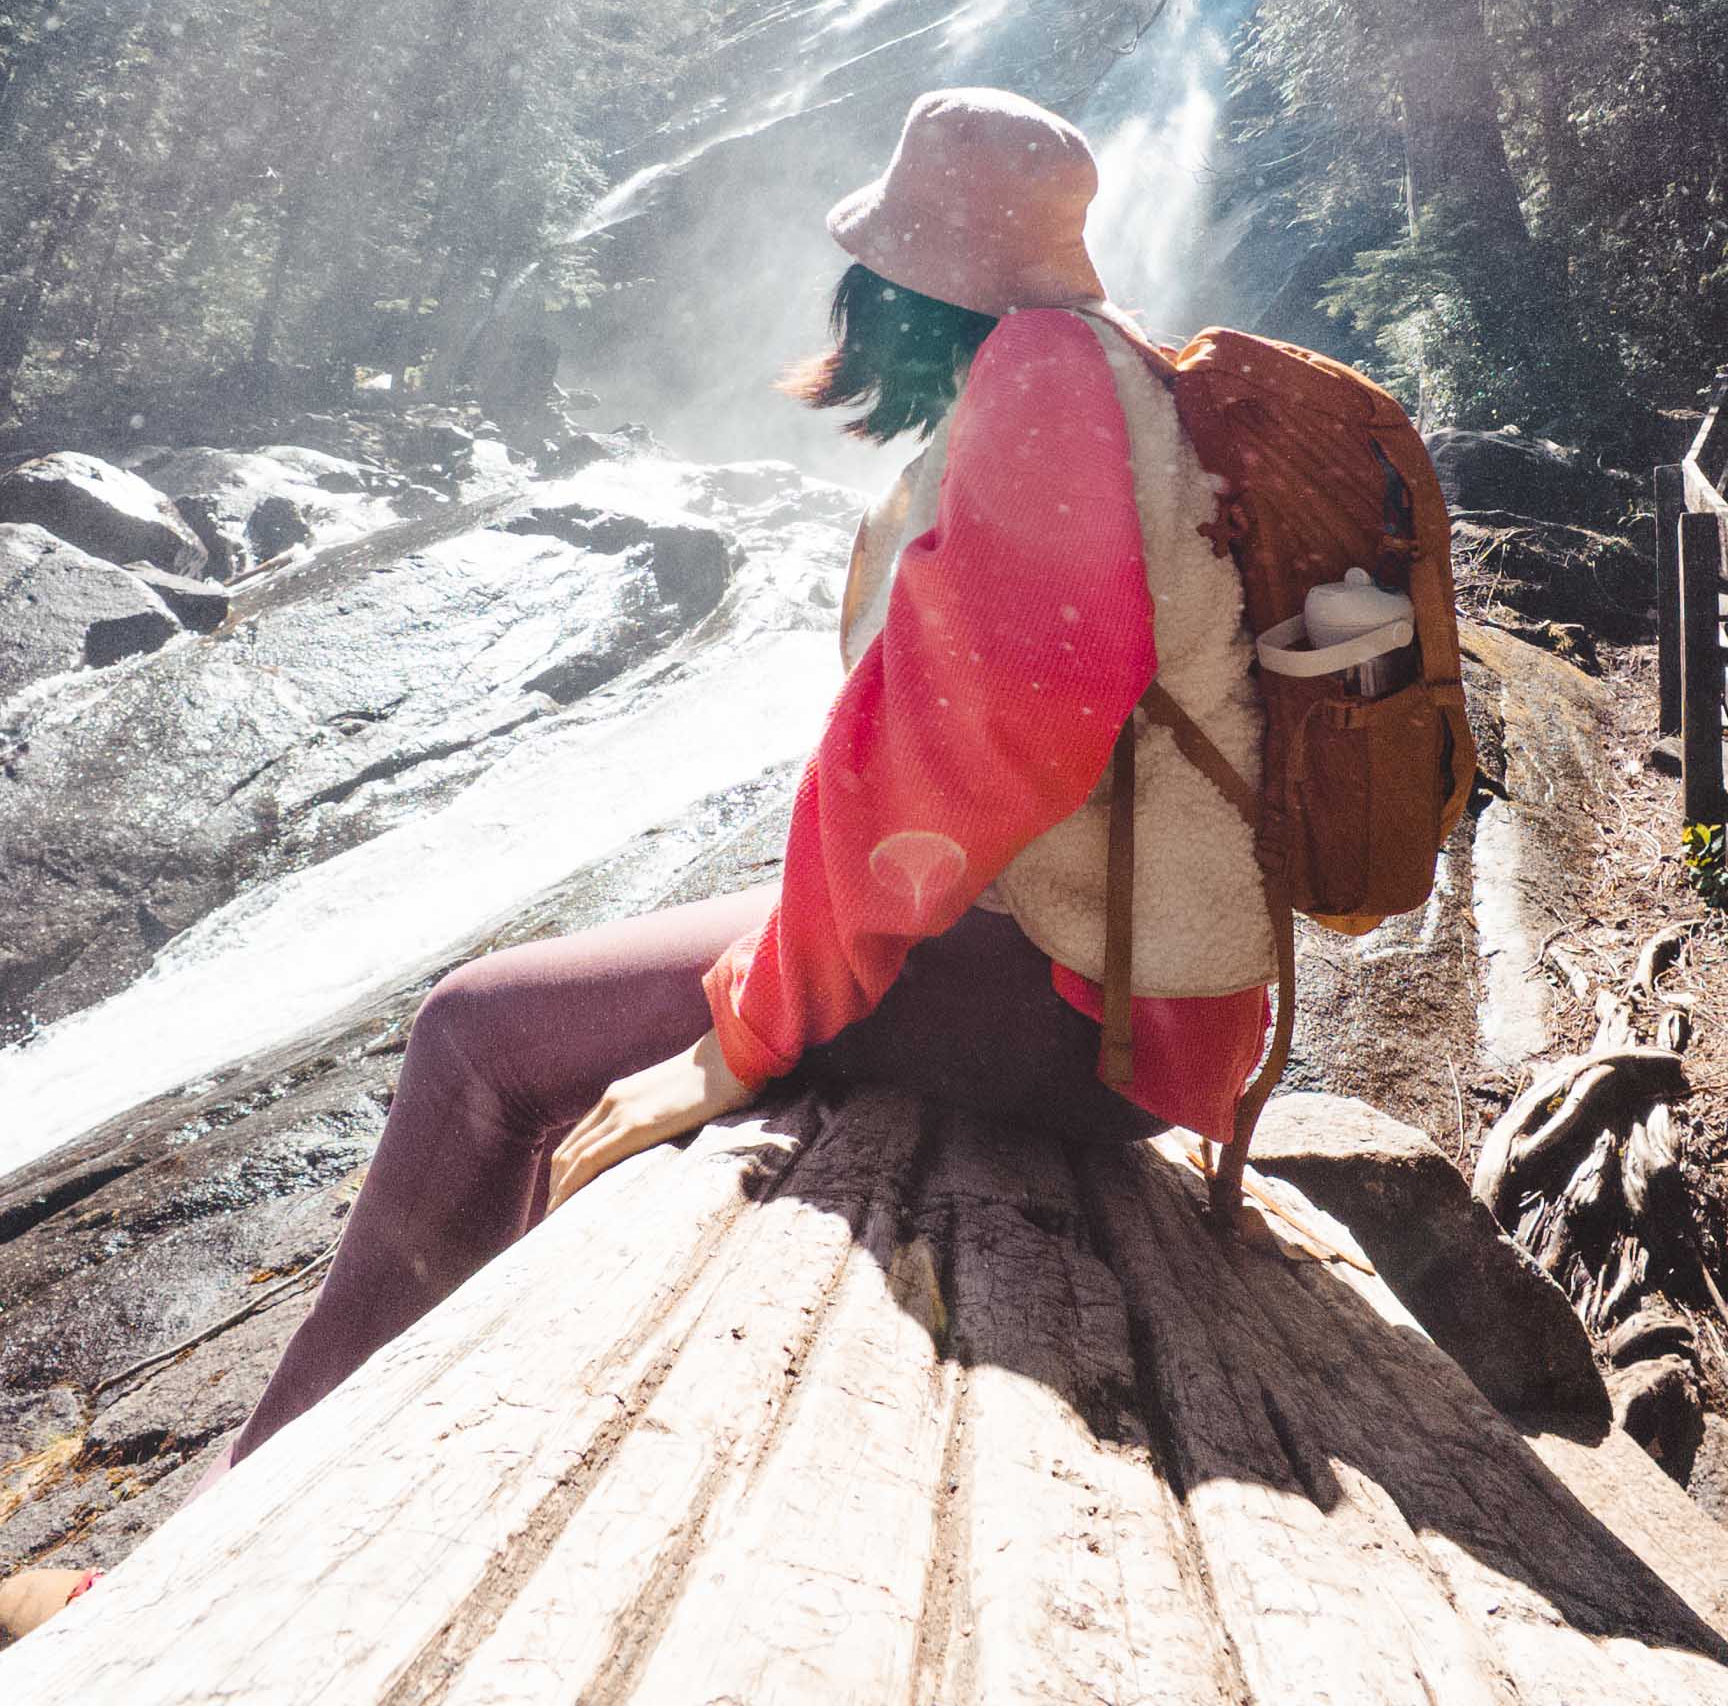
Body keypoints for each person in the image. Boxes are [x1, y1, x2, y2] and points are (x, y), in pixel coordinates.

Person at [0, 87, 1272, 1644]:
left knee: (479, 1040)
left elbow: (987, 731)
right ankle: (386, 1480)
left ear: (913, 276)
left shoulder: (1048, 383)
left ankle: (192, 1583)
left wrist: (742, 1034)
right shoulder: (1108, 373)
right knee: (550, 1030)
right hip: (1105, 990)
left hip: (1072, 1006)